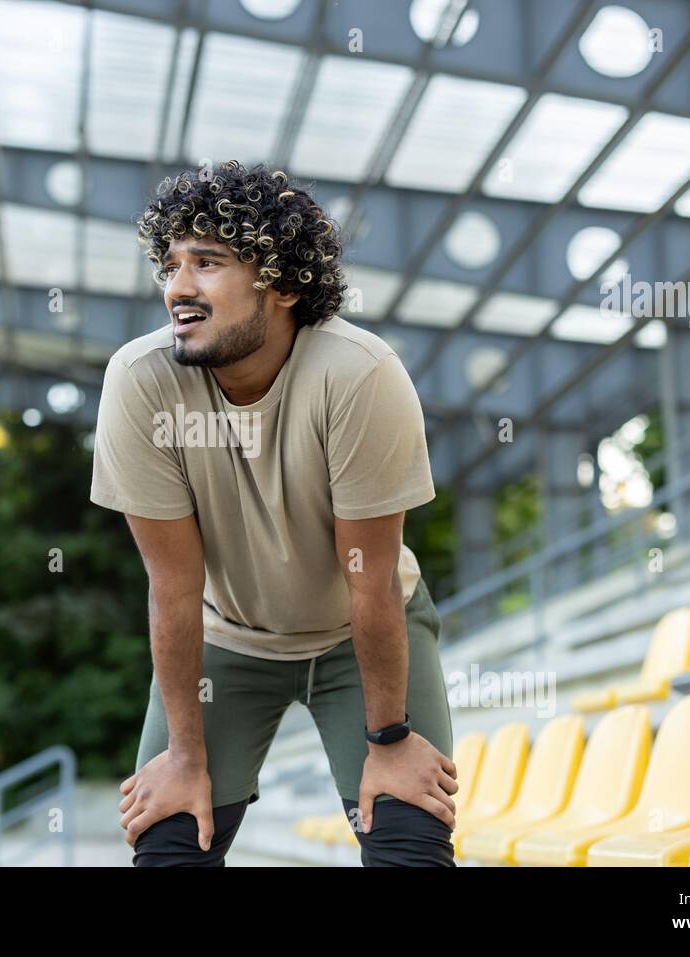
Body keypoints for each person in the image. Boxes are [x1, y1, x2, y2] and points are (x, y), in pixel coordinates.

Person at [89, 160, 457, 866]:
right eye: (170, 265)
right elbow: (171, 587)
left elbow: (371, 579)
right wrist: (185, 755)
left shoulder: (358, 375)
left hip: (362, 634)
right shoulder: (140, 384)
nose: (178, 288)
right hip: (227, 641)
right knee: (168, 847)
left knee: (410, 845)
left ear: (284, 284)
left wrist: (388, 741)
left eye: (208, 262)